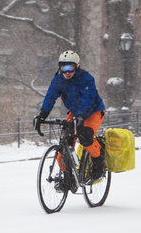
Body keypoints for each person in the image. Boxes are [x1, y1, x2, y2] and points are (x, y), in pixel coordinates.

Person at [34, 50, 106, 180]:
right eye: (63, 68)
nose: (67, 72)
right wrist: (42, 115)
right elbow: (50, 97)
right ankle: (68, 176)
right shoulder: (58, 80)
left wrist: (81, 115)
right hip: (75, 112)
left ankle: (98, 158)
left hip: (93, 111)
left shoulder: (86, 78)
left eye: (70, 68)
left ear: (77, 66)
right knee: (64, 144)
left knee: (85, 136)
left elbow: (88, 98)